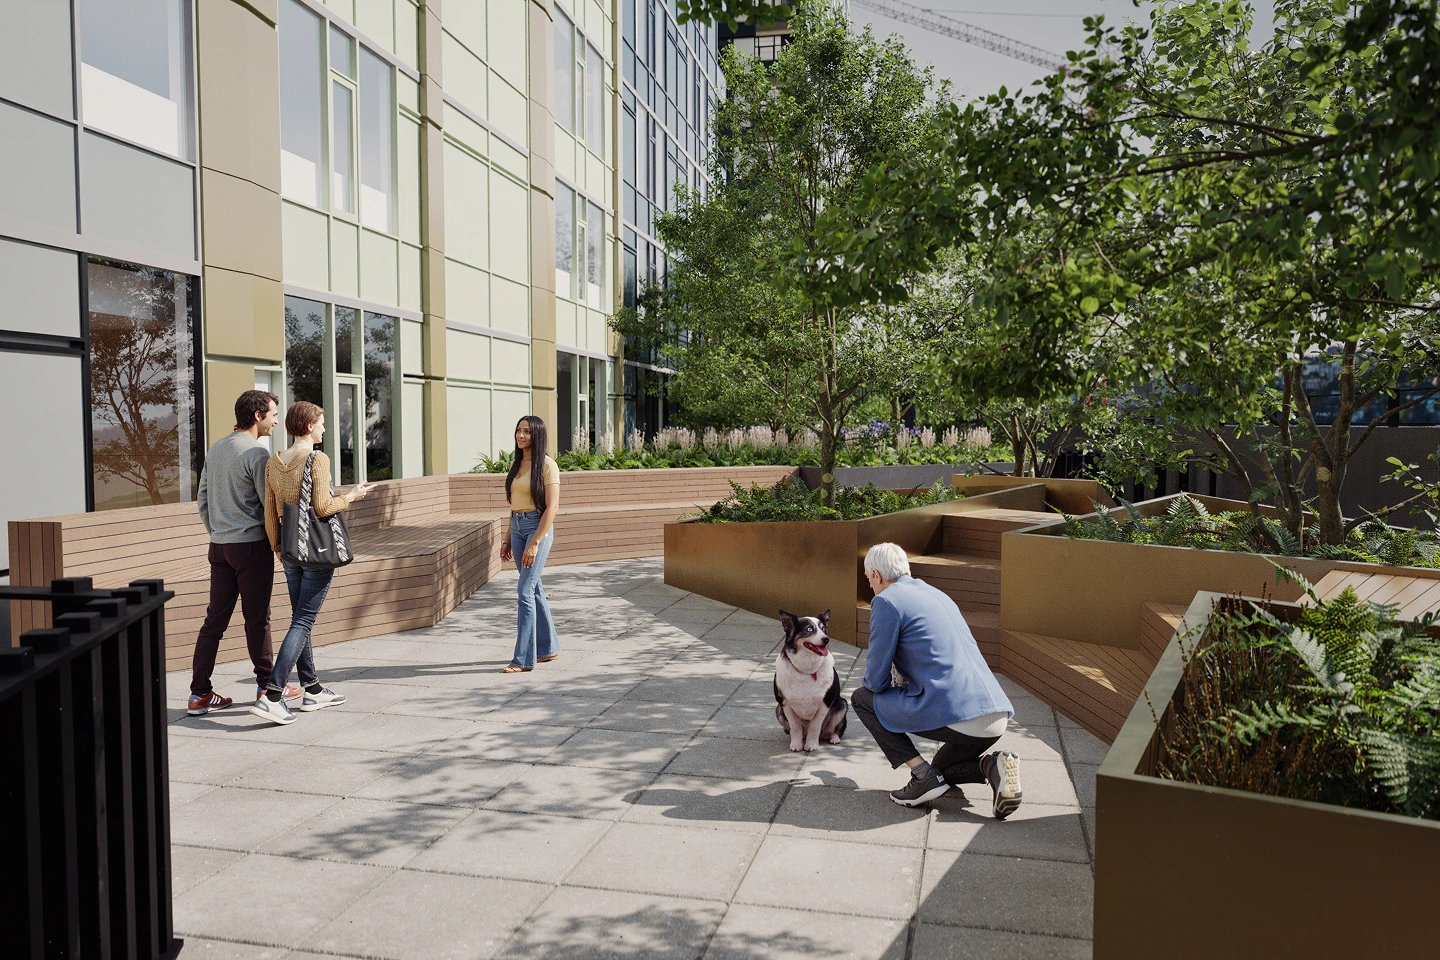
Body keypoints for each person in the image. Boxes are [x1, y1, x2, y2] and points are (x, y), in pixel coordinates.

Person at [851, 542, 1023, 816]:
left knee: (861, 699)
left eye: (868, 579)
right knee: (941, 771)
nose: (870, 585)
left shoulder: (886, 601)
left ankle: (921, 776)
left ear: (877, 575)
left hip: (959, 714)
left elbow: (875, 680)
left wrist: (874, 686)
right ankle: (992, 765)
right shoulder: (938, 595)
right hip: (995, 716)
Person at [251, 401, 370, 725]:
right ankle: (273, 695)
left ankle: (312, 688)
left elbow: (270, 511)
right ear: (307, 426)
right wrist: (353, 496)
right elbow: (322, 507)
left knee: (299, 620)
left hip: (290, 549)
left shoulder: (273, 462)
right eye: (321, 423)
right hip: (316, 550)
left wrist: (277, 546)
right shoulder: (317, 458)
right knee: (303, 621)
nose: (324, 429)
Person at [188, 391, 301, 715]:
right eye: (273, 414)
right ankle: (267, 686)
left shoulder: (217, 448)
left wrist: (219, 532)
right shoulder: (256, 454)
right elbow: (269, 508)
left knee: (214, 622)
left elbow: (203, 501)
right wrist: (278, 545)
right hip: (251, 547)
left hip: (220, 547)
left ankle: (199, 694)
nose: (277, 420)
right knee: (257, 620)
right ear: (257, 415)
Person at [498, 415, 560, 673]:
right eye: (518, 431)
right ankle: (548, 649)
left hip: (538, 528)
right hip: (518, 527)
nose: (521, 435)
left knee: (524, 591)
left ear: (537, 435)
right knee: (534, 589)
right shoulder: (516, 463)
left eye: (527, 432)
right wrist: (507, 537)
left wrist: (535, 542)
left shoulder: (547, 465)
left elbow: (552, 508)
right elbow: (515, 506)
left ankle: (523, 659)